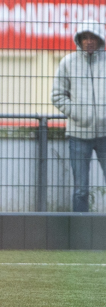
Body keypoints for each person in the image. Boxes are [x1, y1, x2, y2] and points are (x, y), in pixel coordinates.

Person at [52, 21, 106, 213]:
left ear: (100, 40)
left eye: (93, 38)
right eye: (85, 38)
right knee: (81, 190)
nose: (89, 42)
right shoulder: (68, 62)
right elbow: (57, 95)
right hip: (78, 134)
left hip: (105, 134)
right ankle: (79, 234)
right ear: (79, 40)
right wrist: (77, 114)